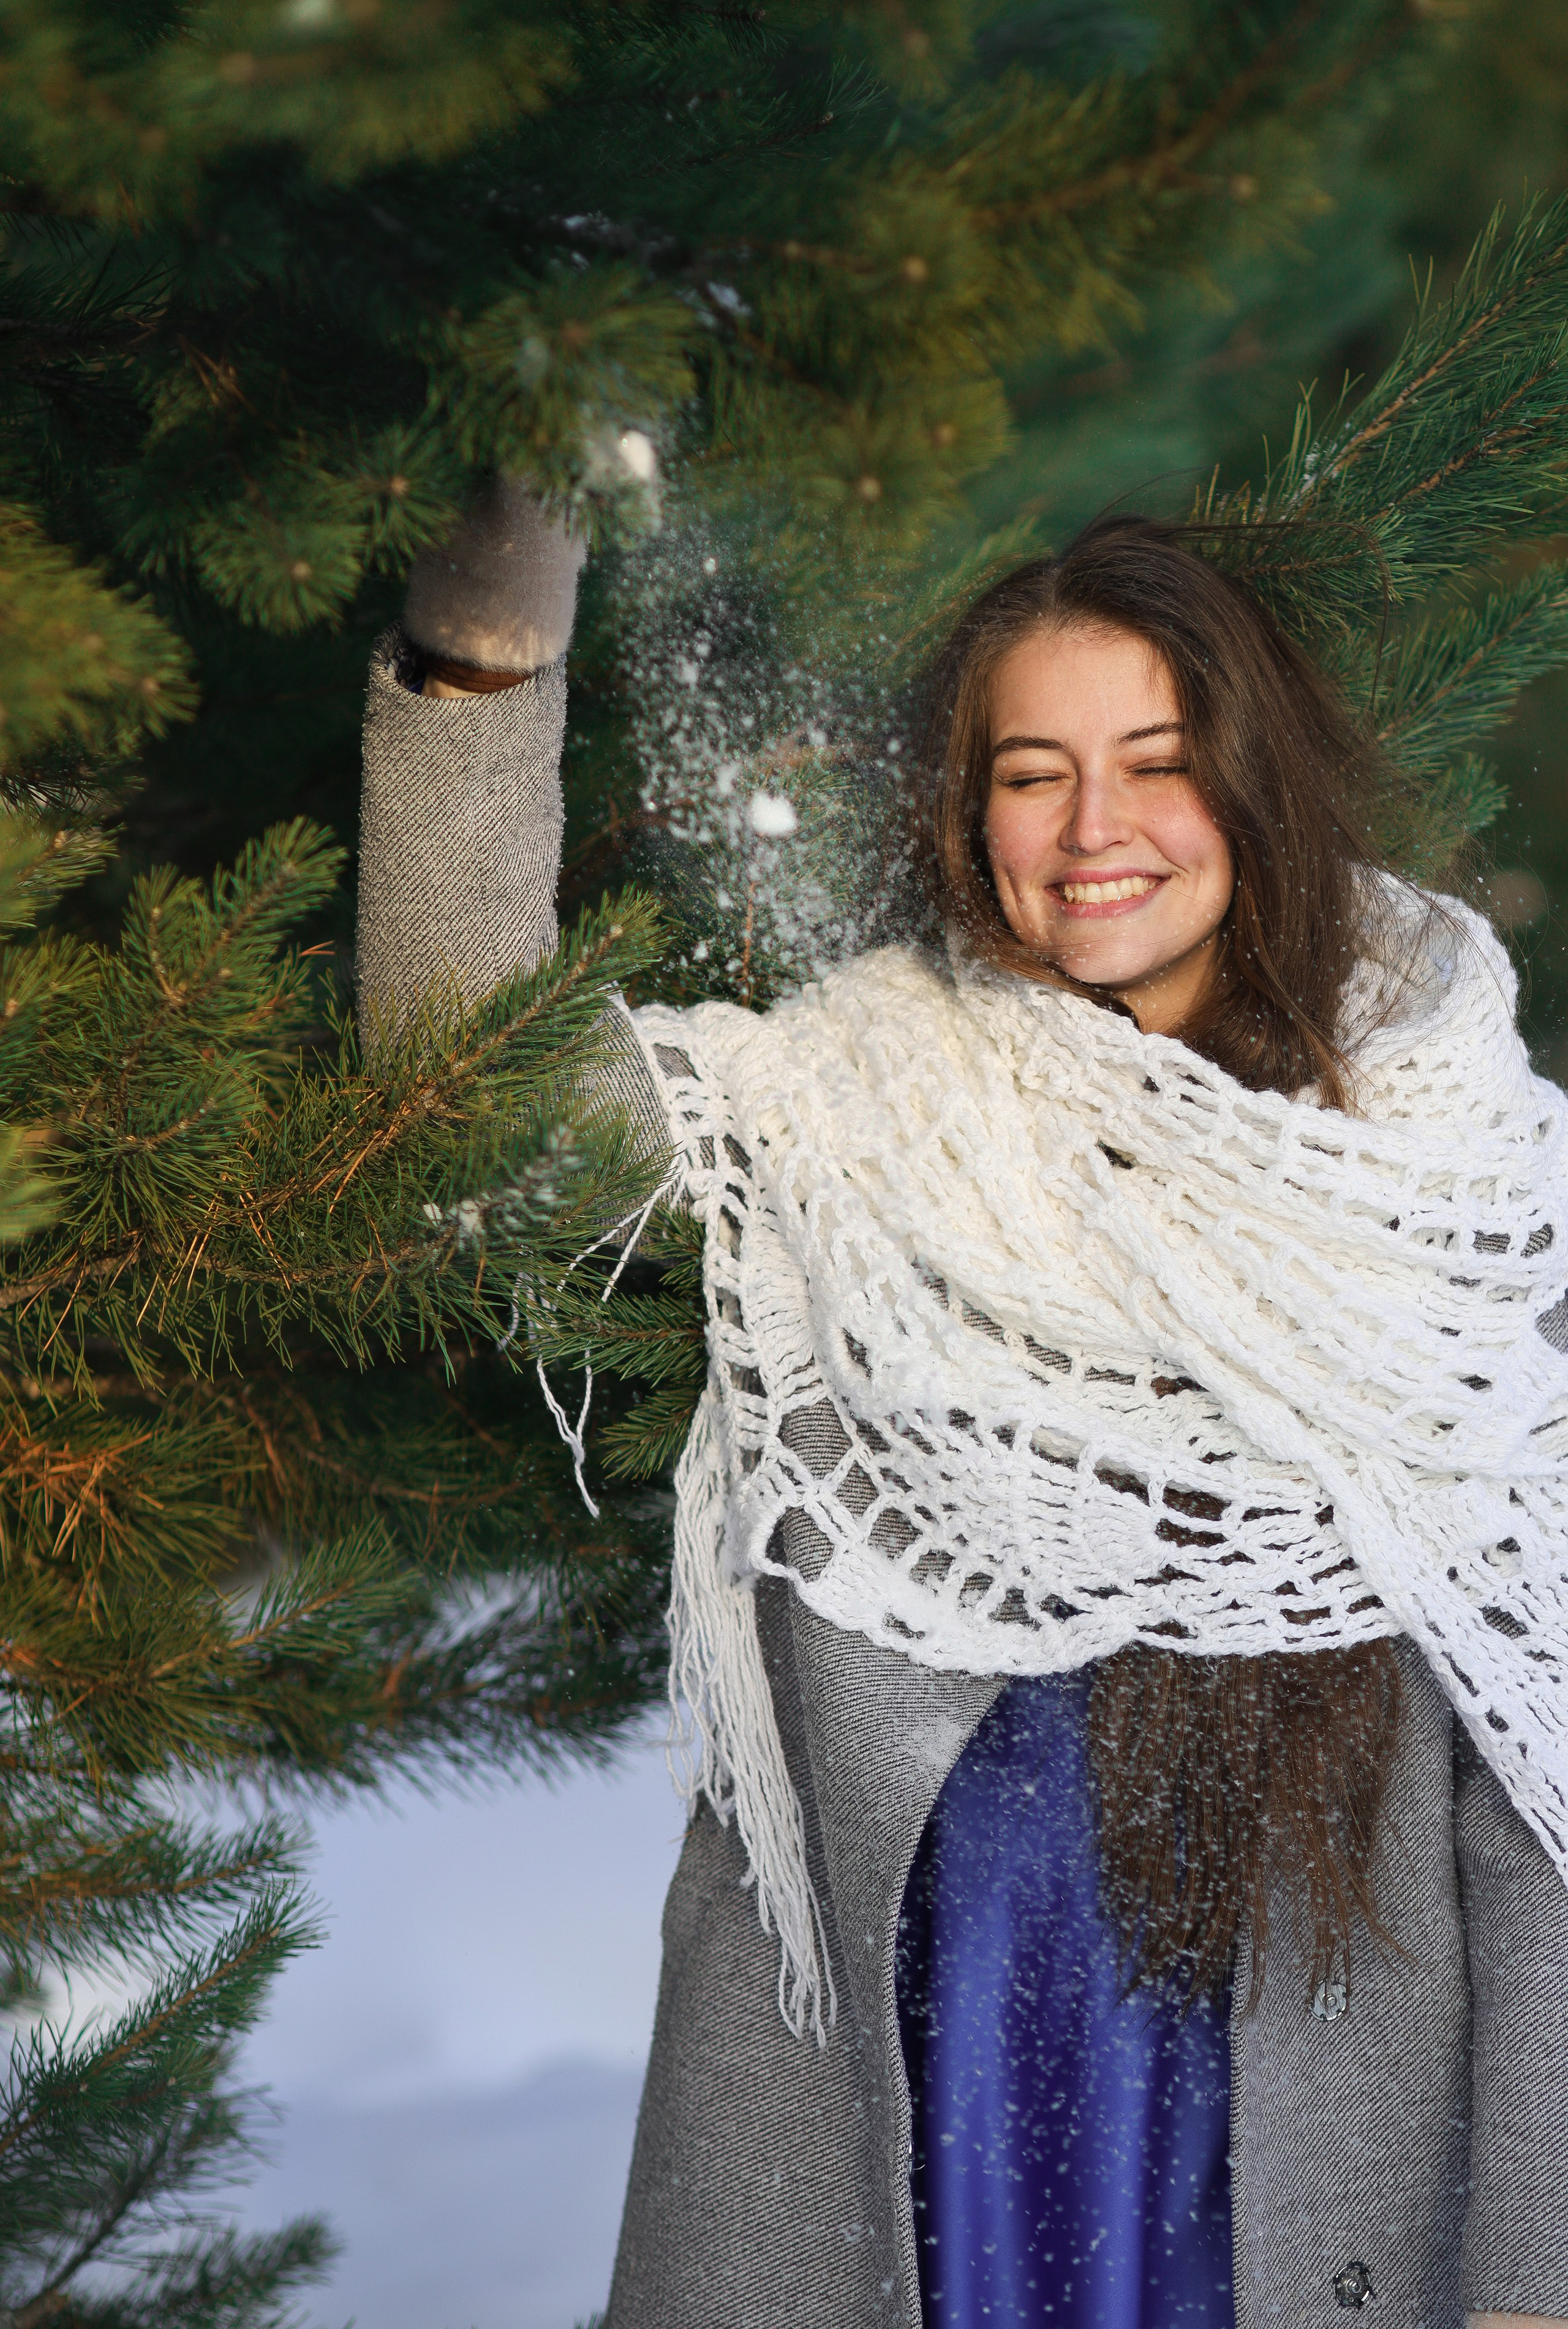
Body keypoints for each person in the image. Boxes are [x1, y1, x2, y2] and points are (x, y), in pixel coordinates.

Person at [358, 485, 1568, 2329]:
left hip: (1312, 2149)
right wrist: (480, 653)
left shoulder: (1449, 1191)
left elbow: (1541, 1788)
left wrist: (1538, 2270)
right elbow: (474, 1106)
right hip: (920, 2108)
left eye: (1157, 761)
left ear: (1259, 789)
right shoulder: (844, 1123)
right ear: (965, 810)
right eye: (1032, 772)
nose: (1095, 830)